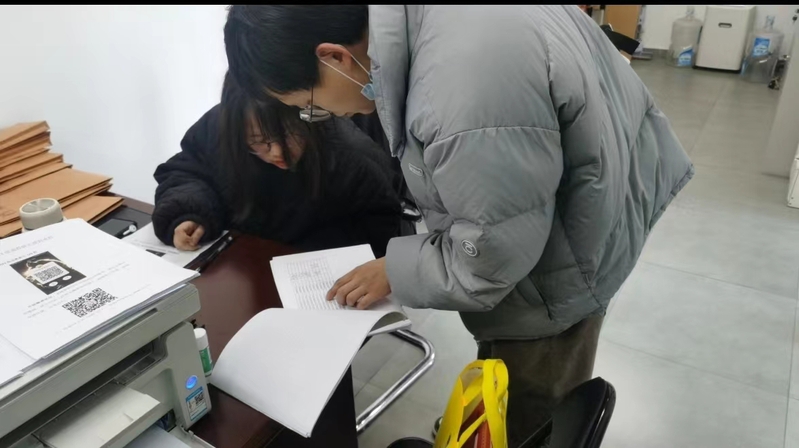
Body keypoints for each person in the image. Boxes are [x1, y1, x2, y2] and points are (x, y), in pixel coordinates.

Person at [223, 5, 694, 446]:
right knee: (508, 378)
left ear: (334, 58)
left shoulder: (461, 89)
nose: (320, 117)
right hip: (595, 184)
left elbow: (492, 258)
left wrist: (395, 269)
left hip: (563, 266)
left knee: (533, 408)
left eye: (309, 106)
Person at [152, 72, 407, 257]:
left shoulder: (349, 154)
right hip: (241, 267)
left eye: (286, 135)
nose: (276, 152)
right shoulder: (220, 129)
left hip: (316, 279)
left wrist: (307, 252)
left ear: (306, 115)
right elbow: (186, 171)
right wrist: (190, 213)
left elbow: (381, 221)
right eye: (257, 141)